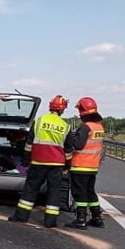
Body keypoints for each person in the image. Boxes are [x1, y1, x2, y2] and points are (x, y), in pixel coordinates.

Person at [8, 95, 73, 228]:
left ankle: (21, 217)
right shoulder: (65, 126)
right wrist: (68, 166)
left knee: (30, 189)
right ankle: (50, 222)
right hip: (57, 165)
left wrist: (26, 160)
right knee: (54, 192)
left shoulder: (39, 121)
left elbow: (29, 145)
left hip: (38, 162)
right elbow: (68, 150)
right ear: (62, 109)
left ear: (50, 107)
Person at [65, 97, 106, 229]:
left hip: (80, 165)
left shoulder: (85, 127)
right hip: (92, 166)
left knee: (79, 193)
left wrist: (70, 137)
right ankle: (97, 218)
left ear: (83, 111)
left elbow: (78, 145)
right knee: (90, 192)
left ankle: (80, 219)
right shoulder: (99, 127)